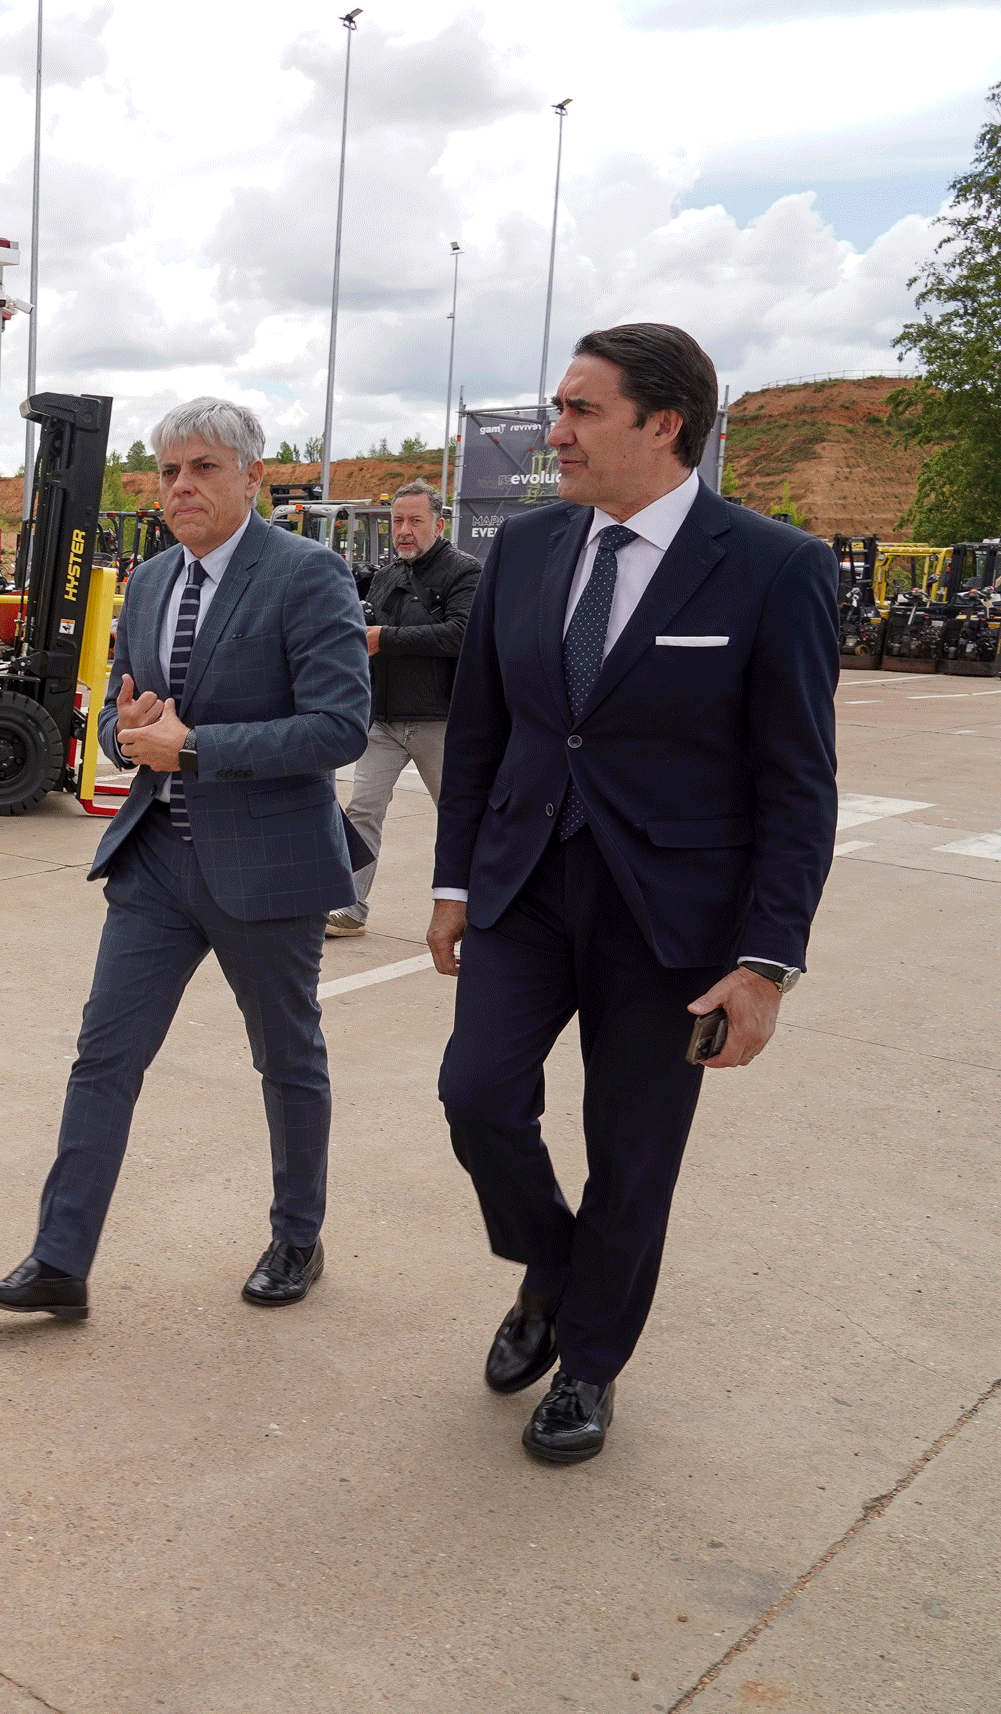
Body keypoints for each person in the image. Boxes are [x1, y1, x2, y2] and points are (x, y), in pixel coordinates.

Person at [429, 324, 838, 1464]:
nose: (554, 434)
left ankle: (592, 1364)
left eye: (580, 411)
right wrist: (455, 878)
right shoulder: (526, 549)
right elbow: (482, 734)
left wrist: (766, 964)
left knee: (634, 1145)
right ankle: (553, 1270)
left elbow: (798, 787)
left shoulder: (773, 567)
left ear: (663, 424)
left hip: (674, 922)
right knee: (478, 1094)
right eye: (558, 408)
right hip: (525, 886)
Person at [0, 398, 372, 1319]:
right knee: (102, 1058)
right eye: (168, 470)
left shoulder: (307, 577)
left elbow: (339, 726)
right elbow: (122, 719)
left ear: (251, 477)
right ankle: (59, 1262)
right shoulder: (147, 582)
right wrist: (129, 731)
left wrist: (194, 748)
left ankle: (296, 1236)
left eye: (202, 469)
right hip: (155, 861)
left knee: (285, 1059)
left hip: (265, 867)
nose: (180, 486)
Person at [329, 480, 480, 937]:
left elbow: (463, 634)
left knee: (459, 819)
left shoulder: (465, 572)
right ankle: (350, 906)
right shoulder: (386, 575)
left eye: (415, 520)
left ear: (439, 523)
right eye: (397, 521)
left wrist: (385, 639)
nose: (405, 530)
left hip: (440, 720)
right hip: (384, 720)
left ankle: (483, 910)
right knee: (362, 809)